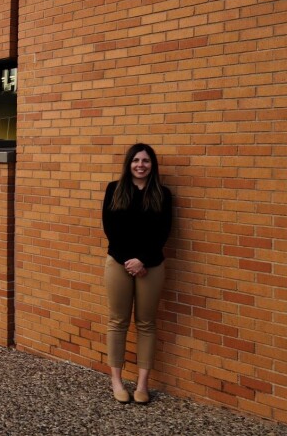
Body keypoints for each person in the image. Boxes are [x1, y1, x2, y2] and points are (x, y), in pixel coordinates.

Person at [101, 143, 172, 405]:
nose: (140, 165)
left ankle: (142, 385)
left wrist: (142, 260)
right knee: (118, 321)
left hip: (151, 266)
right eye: (136, 160)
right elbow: (110, 228)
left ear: (152, 165)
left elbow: (163, 231)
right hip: (118, 264)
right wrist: (129, 261)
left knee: (146, 323)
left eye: (146, 161)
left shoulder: (163, 195)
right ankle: (117, 382)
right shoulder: (114, 190)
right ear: (129, 163)